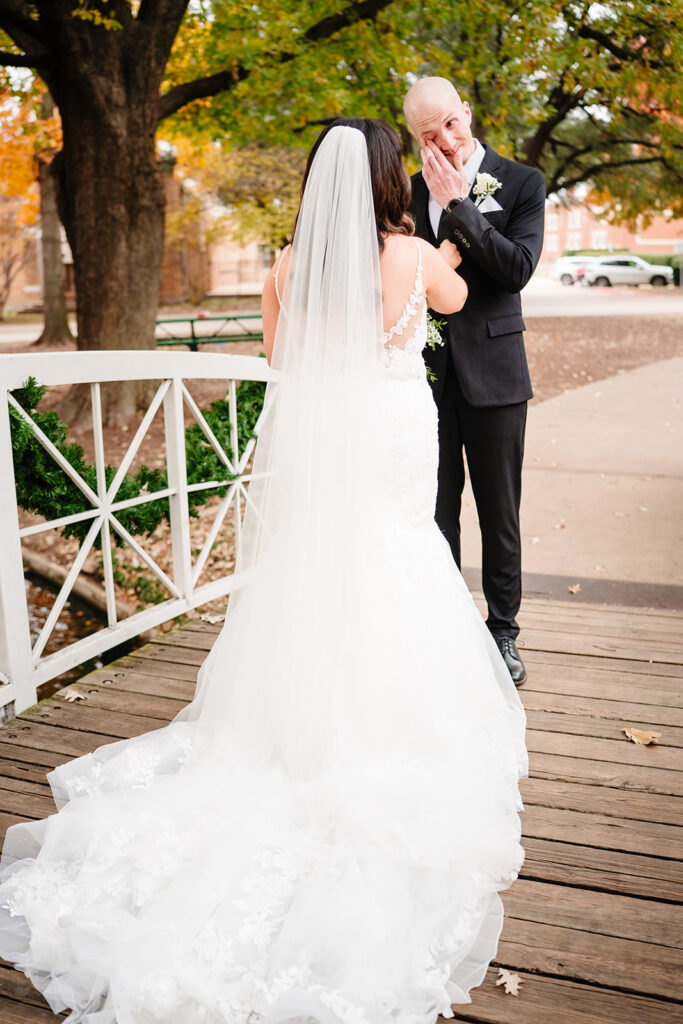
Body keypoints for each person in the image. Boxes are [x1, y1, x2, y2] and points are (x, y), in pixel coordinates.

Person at [0, 119, 527, 1024]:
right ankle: (389, 730)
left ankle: (301, 727)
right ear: (389, 179)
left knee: (328, 569)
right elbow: (452, 300)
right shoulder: (409, 257)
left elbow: (282, 365)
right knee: (401, 556)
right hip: (396, 439)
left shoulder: (286, 270)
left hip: (335, 447)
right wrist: (445, 225)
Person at [404, 76, 546, 686]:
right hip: (426, 377)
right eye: (428, 135)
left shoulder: (521, 182)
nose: (445, 142)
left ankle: (504, 632)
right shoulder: (405, 194)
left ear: (467, 111)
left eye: (451, 125)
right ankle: (447, 626)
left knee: (499, 511)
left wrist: (461, 207)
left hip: (496, 376)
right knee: (436, 510)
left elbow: (516, 270)